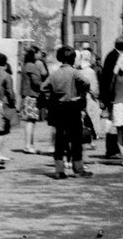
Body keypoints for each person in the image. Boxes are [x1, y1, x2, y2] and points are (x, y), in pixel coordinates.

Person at [41, 46, 91, 179]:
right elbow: (86, 83)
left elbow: (43, 88)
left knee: (59, 139)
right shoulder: (74, 72)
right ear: (73, 58)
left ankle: (59, 170)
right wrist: (79, 92)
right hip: (73, 106)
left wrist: (53, 96)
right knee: (76, 138)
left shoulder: (55, 73)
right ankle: (78, 168)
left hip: (58, 107)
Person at [99, 39, 123, 159]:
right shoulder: (116, 57)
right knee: (114, 123)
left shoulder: (111, 55)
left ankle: (113, 149)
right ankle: (112, 150)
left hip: (110, 95)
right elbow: (111, 79)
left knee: (114, 122)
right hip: (113, 95)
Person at [19, 46, 48, 154]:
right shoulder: (32, 66)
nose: (39, 55)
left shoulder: (26, 65)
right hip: (32, 96)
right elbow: (36, 82)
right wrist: (47, 86)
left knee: (30, 121)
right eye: (38, 53)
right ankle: (28, 145)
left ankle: (29, 145)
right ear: (33, 54)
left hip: (27, 95)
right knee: (31, 122)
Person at [76, 49, 101, 149]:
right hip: (89, 98)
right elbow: (94, 89)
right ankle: (91, 140)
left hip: (80, 97)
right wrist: (97, 96)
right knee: (91, 120)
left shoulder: (78, 70)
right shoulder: (90, 71)